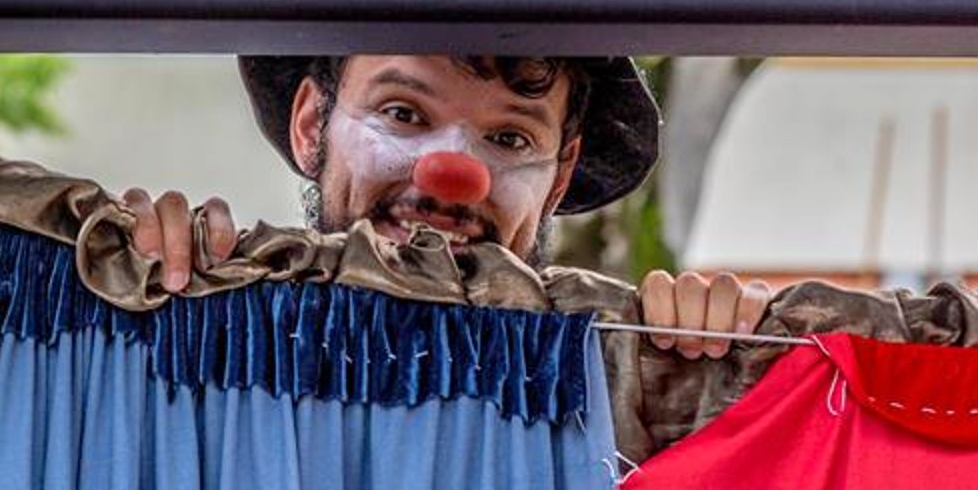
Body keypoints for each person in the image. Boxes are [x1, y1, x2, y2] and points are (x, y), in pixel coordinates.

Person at [119, 52, 770, 359]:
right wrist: (122, 311)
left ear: (560, 173)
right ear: (313, 125)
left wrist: (711, 379)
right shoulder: (197, 347)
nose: (453, 175)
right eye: (402, 113)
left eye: (509, 138)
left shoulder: (616, 399)